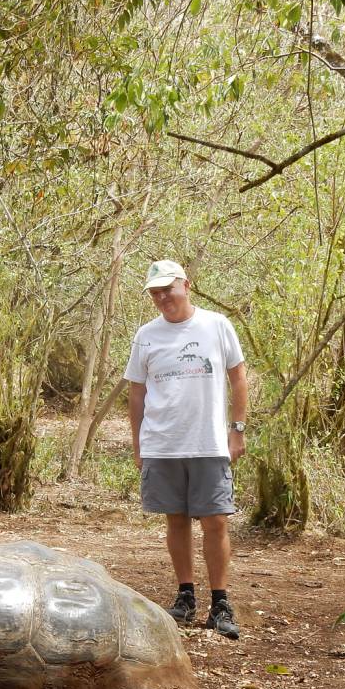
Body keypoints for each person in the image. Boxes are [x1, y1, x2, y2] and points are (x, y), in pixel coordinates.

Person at [124, 259, 247, 639]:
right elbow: (137, 391)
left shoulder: (216, 325)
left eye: (168, 289)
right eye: (155, 292)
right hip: (163, 442)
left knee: (216, 520)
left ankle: (220, 602)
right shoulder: (146, 335)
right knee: (175, 518)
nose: (162, 298)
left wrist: (237, 430)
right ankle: (185, 597)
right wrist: (138, 441)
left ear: (186, 285)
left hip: (208, 441)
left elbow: (238, 377)